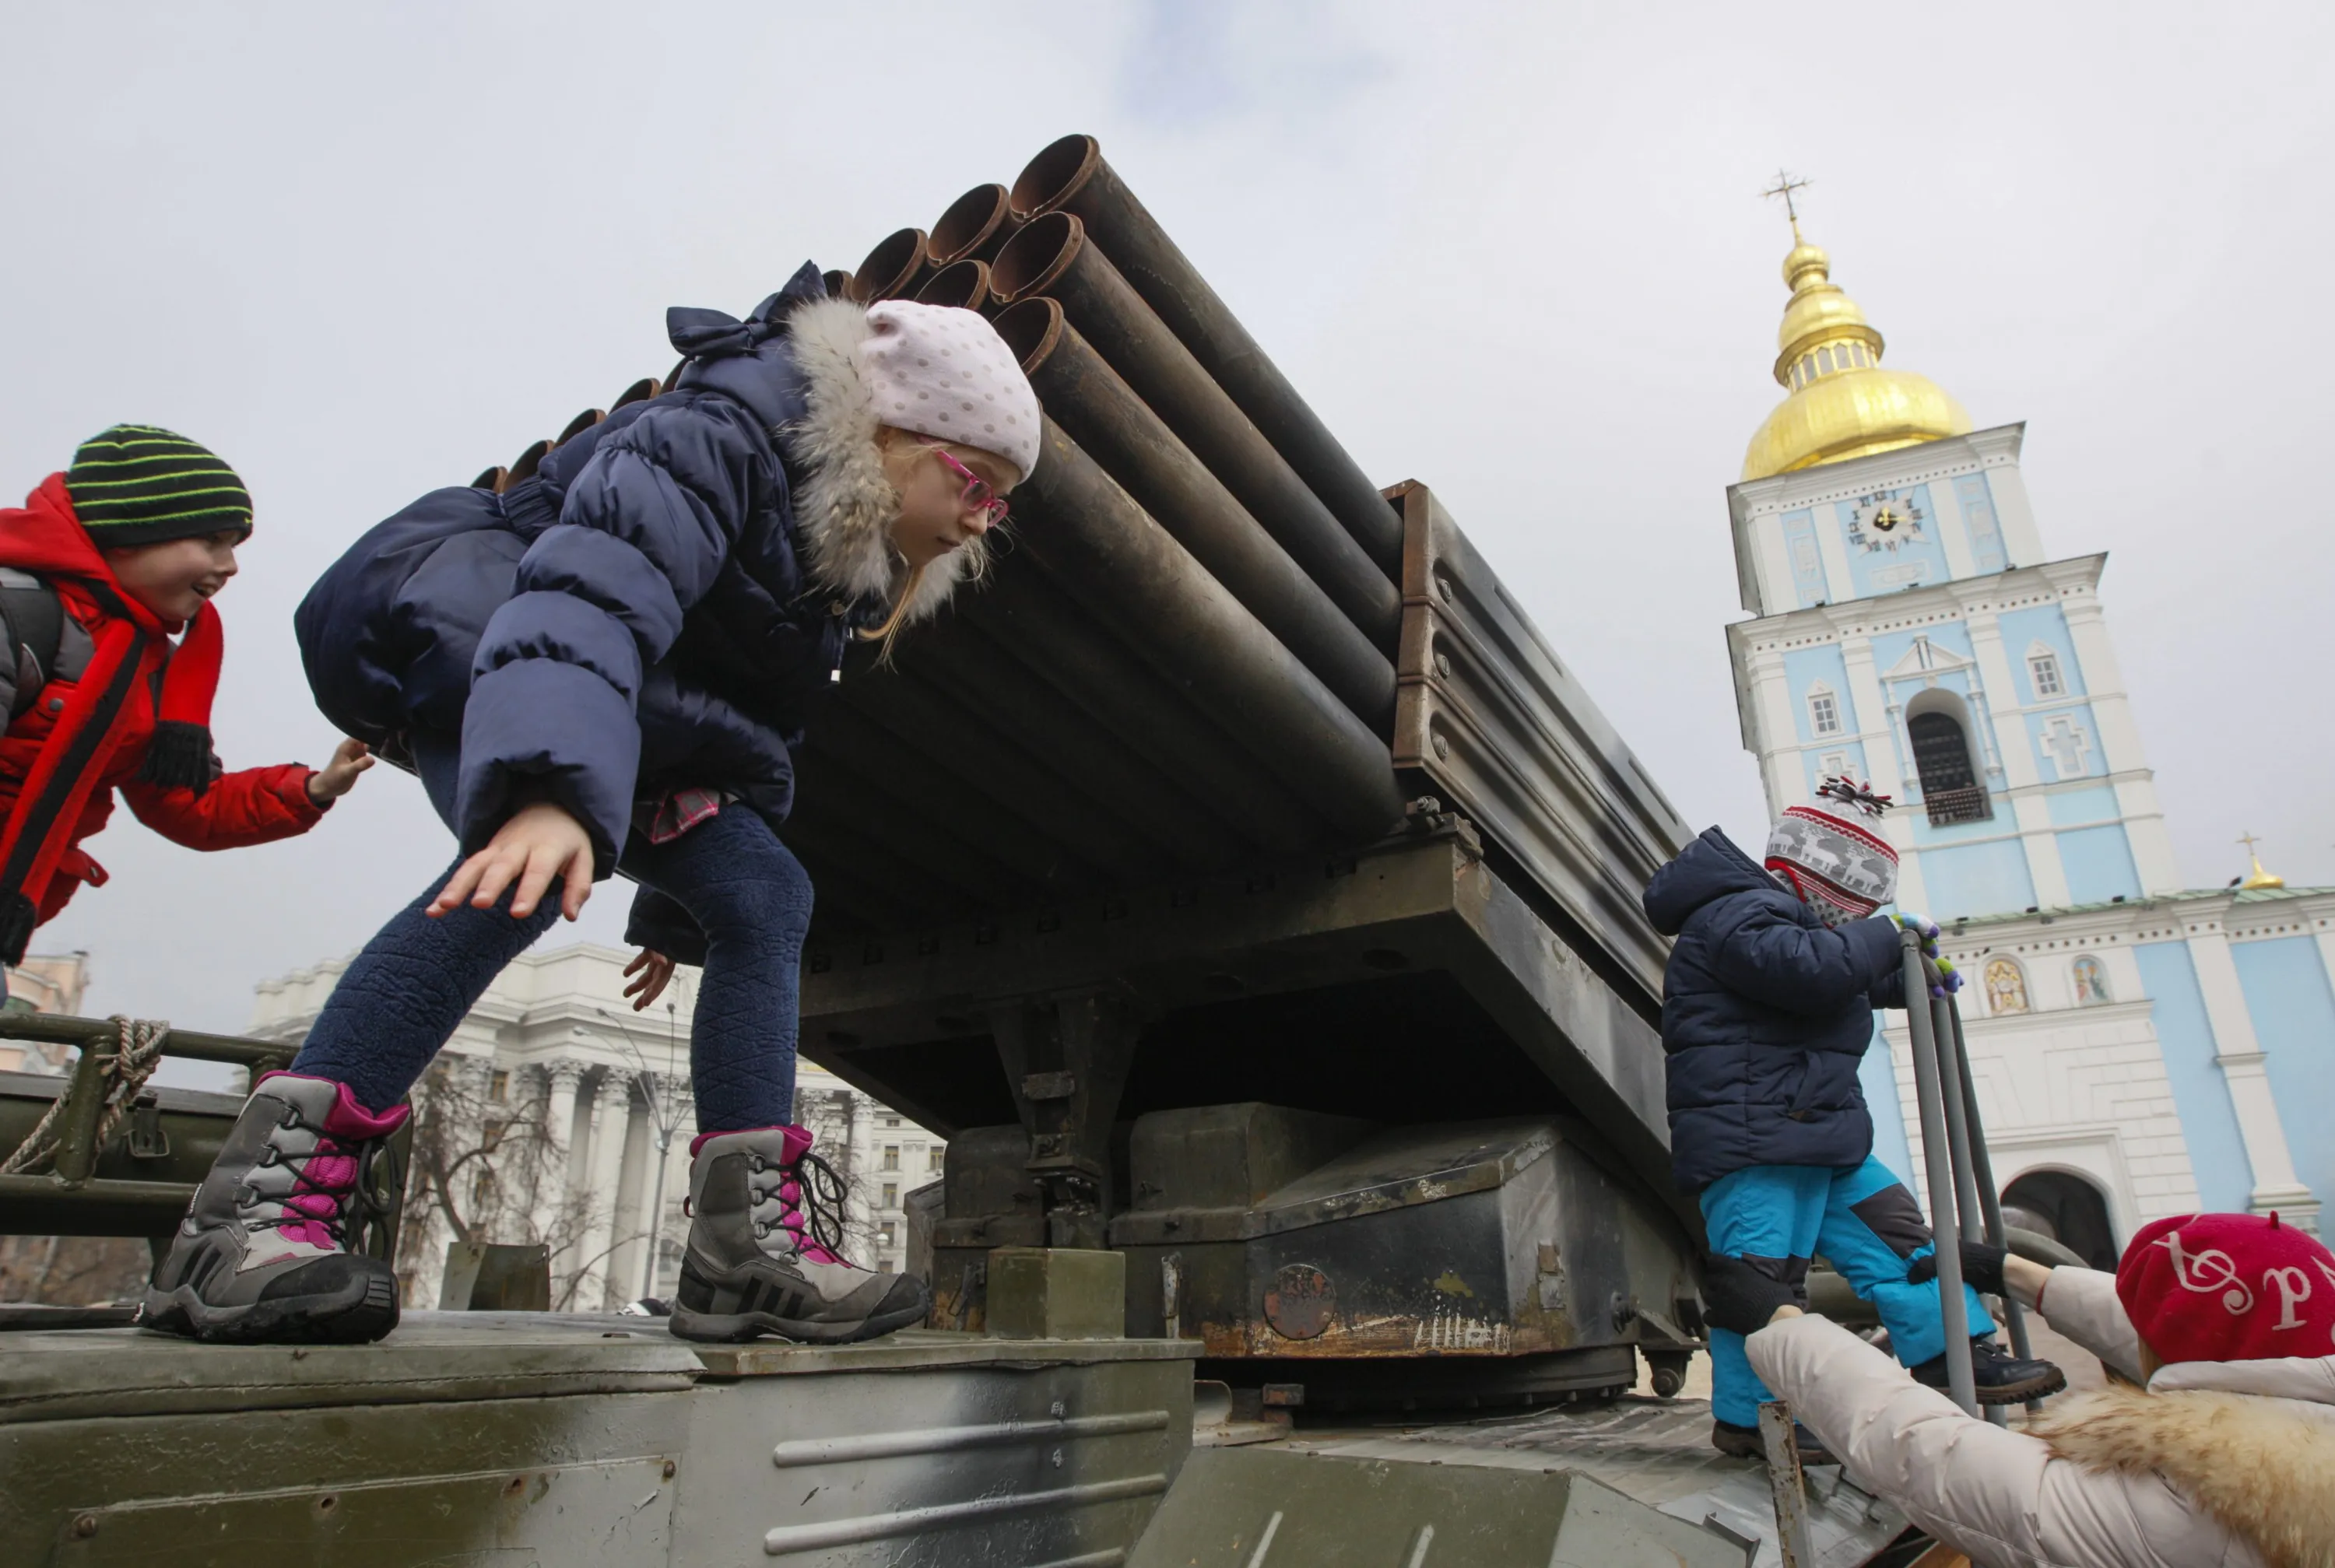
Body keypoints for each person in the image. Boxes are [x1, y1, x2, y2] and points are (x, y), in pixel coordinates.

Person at [142, 269, 1042, 1346]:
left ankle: (740, 1258)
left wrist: (675, 908)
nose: (981, 518)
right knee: (523, 877)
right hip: (493, 628)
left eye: (1000, 502)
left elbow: (740, 727)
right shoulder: (719, 440)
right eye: (974, 481)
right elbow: (594, 594)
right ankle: (245, 1223)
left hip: (620, 695)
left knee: (764, 893)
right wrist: (548, 792)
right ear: (895, 432)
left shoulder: (837, 556)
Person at [1642, 778, 2062, 1461]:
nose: (1863, 914)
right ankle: (1753, 1415)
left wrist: (1910, 973)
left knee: (1901, 1242)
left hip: (1824, 1136)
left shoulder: (1794, 926)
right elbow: (1812, 971)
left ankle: (1954, 1350)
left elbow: (1840, 974)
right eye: (1861, 901)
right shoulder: (1736, 914)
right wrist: (1884, 938)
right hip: (1754, 1144)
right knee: (1761, 1278)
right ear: (1824, 878)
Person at [1703, 1212, 2335, 1566]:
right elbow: (2217, 1339)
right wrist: (2015, 1272)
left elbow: (1926, 1452)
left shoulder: (2183, 1510)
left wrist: (1782, 1325)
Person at [0, 426, 370, 969]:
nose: (230, 565)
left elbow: (187, 803)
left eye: (234, 546)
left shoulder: (150, 667)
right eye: (212, 541)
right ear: (132, 532)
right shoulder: (17, 611)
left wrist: (312, 789)